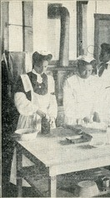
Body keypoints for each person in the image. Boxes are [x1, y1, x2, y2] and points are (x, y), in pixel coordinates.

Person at [10, 51, 57, 186]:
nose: (42, 70)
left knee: (46, 153)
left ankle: (44, 184)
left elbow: (52, 100)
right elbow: (20, 101)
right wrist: (37, 111)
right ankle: (26, 185)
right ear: (34, 64)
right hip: (29, 120)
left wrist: (50, 115)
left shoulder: (50, 79)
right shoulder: (24, 78)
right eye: (39, 66)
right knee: (28, 154)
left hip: (46, 121)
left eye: (46, 67)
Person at [63, 55, 101, 125]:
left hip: (90, 118)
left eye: (89, 70)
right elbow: (68, 104)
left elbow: (97, 99)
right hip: (75, 118)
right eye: (84, 70)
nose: (87, 73)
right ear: (78, 68)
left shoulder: (95, 81)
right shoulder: (70, 81)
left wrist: (96, 112)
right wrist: (82, 116)